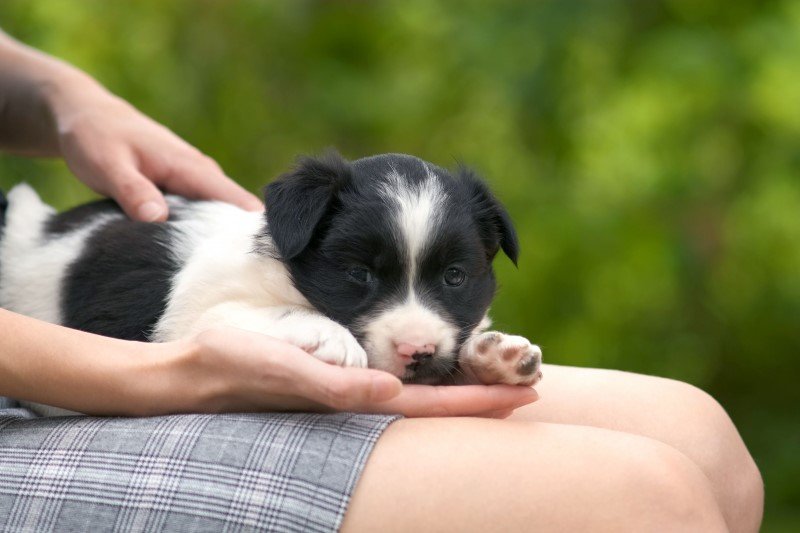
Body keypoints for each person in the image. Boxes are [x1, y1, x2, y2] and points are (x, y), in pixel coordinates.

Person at [0, 30, 762, 532]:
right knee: (644, 501)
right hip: (30, 369)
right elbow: (206, 330)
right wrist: (173, 369)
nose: (418, 327)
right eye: (362, 275)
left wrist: (58, 94)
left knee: (704, 439)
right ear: (295, 240)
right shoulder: (241, 281)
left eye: (453, 279)